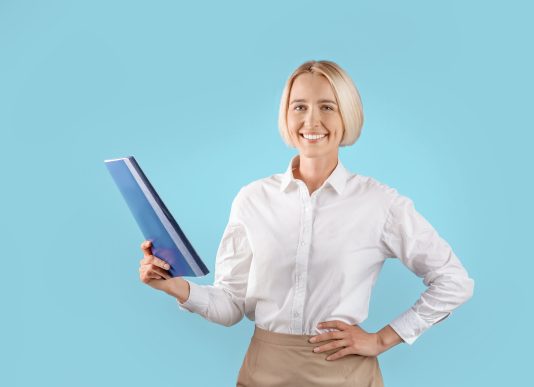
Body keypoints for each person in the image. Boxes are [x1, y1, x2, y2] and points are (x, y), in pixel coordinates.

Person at [137, 60, 475, 386]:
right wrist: (173, 286)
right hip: (263, 372)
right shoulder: (252, 199)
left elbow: (454, 281)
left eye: (327, 107)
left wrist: (382, 339)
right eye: (299, 107)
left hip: (344, 376)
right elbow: (231, 305)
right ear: (286, 115)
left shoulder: (380, 203)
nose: (311, 121)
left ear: (347, 115)